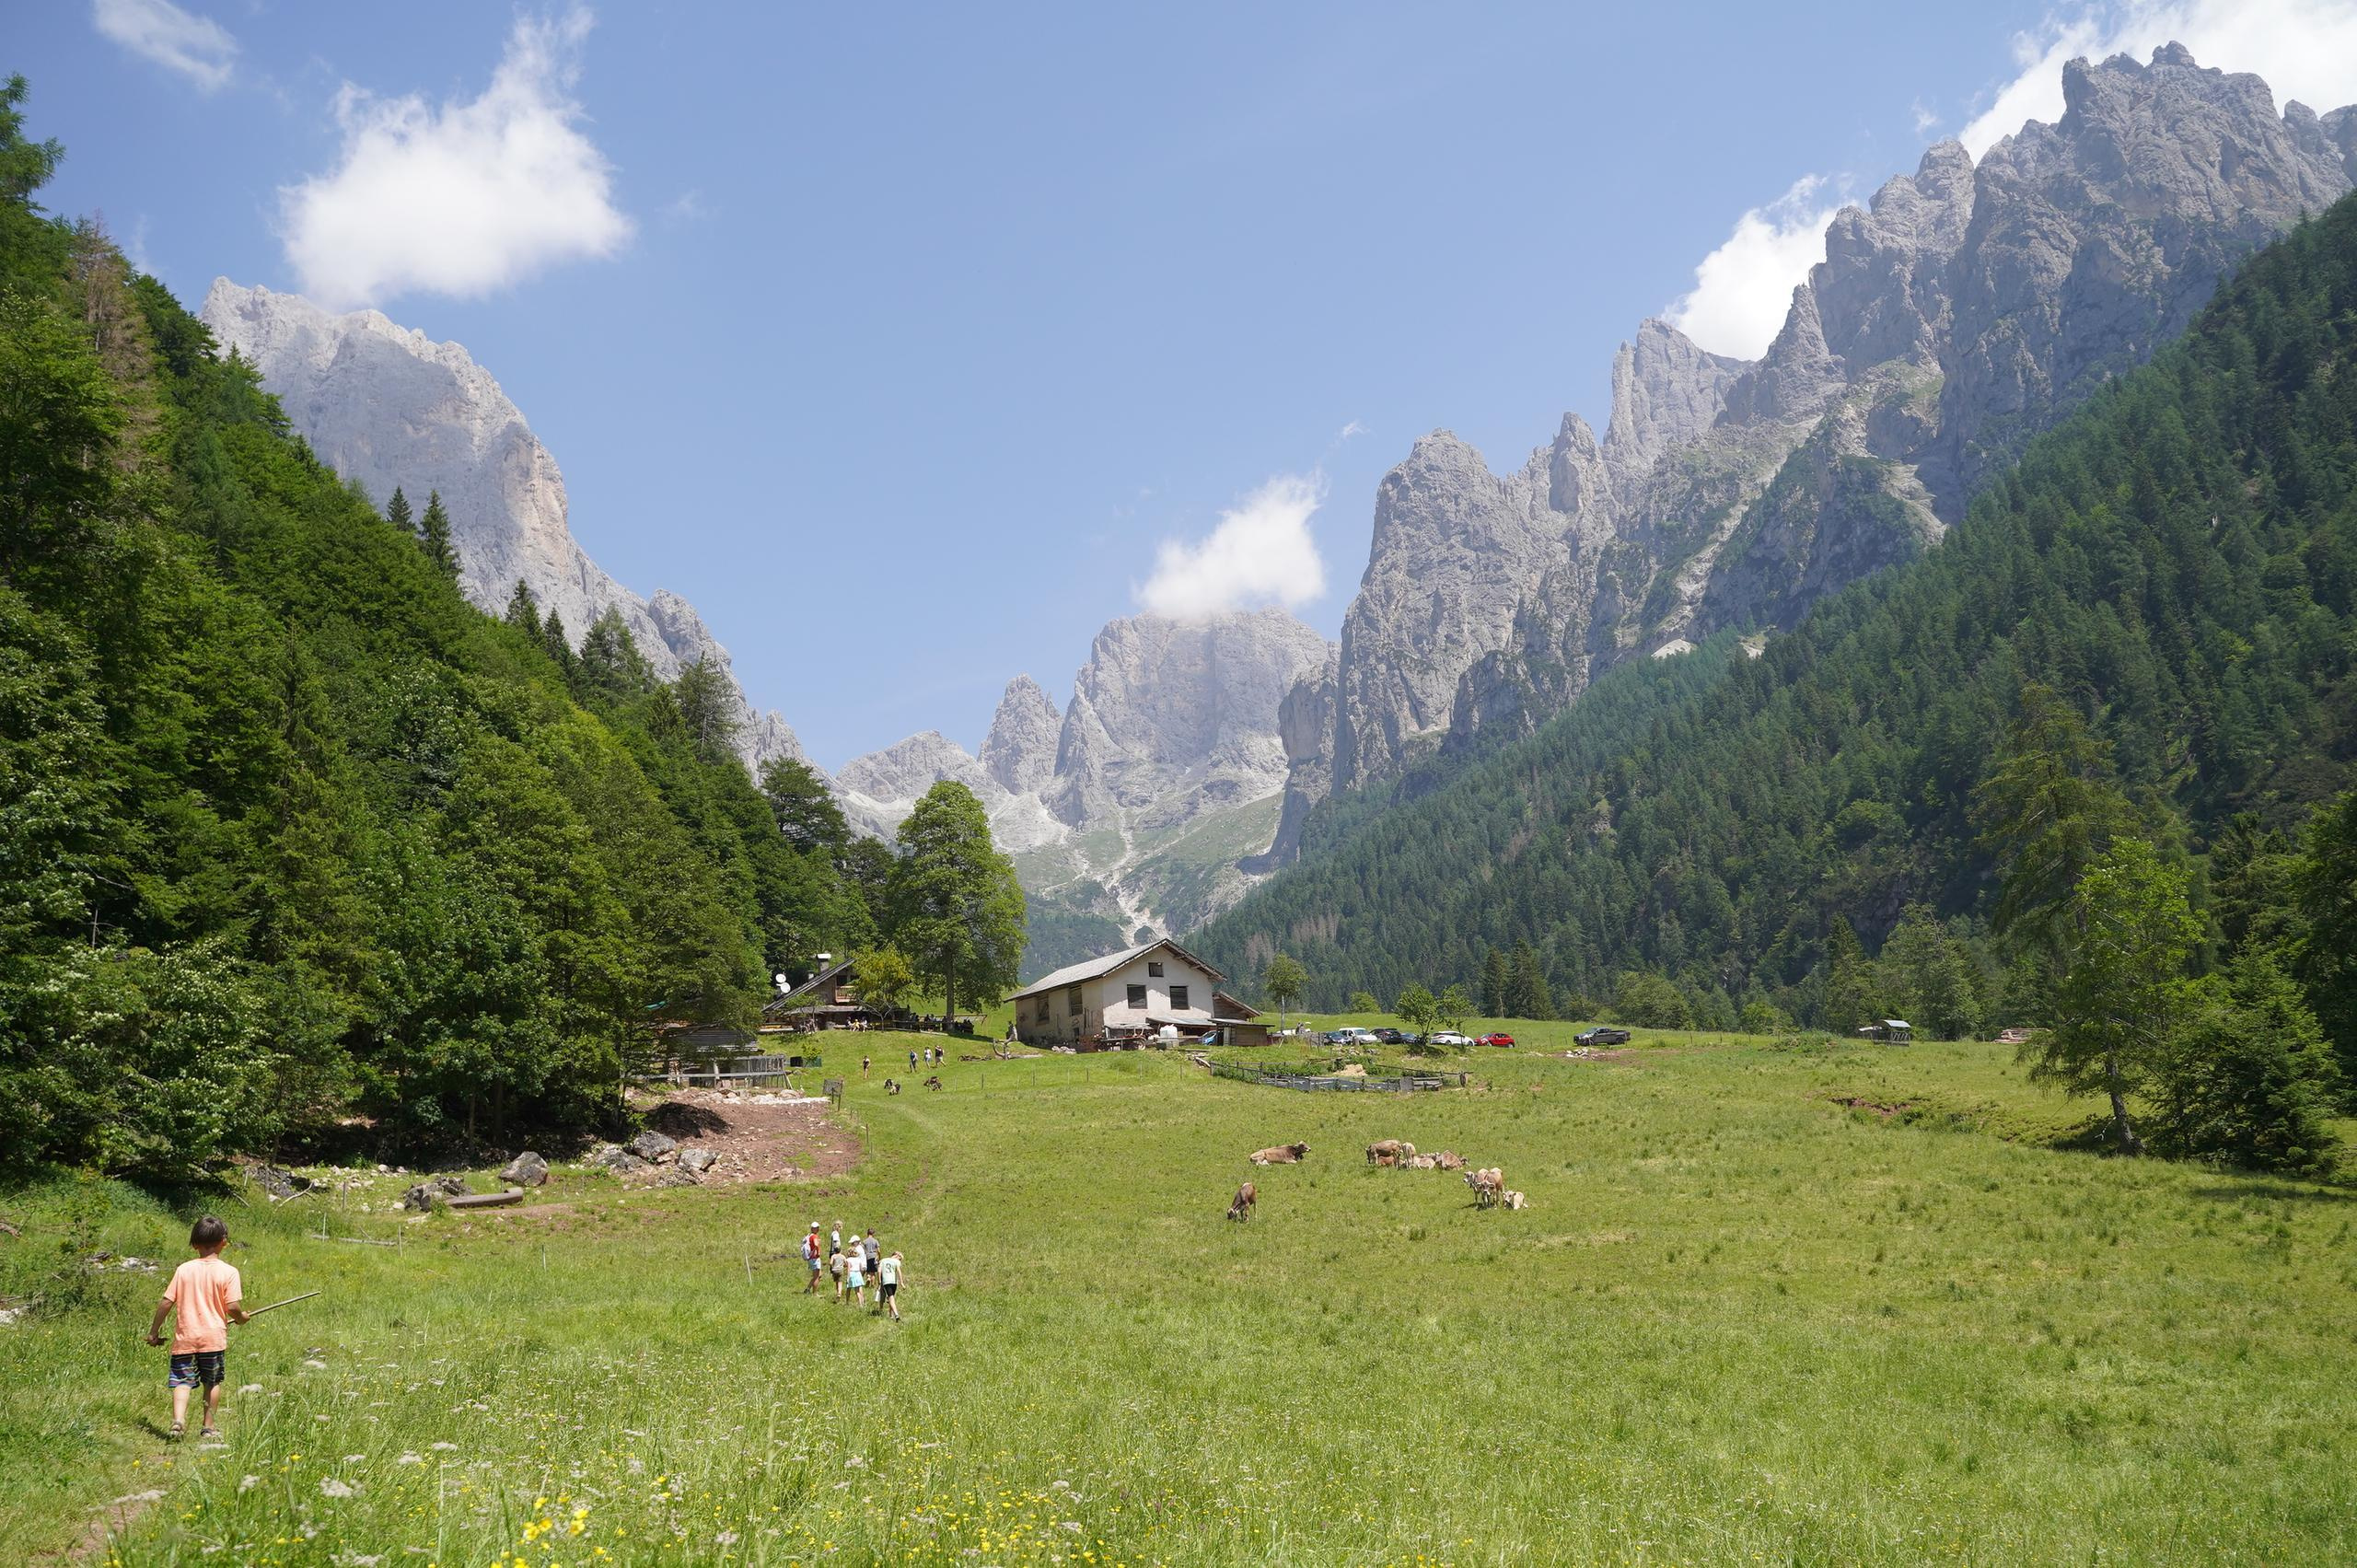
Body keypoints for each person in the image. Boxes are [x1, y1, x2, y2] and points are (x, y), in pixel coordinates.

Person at [146, 1216, 248, 1440]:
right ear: (224, 1242)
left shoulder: (184, 1270)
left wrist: (154, 1332)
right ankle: (208, 1428)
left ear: (194, 1243)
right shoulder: (229, 1272)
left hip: (185, 1338)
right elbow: (232, 1306)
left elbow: (166, 1302)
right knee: (212, 1383)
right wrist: (241, 1318)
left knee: (182, 1382)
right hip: (212, 1339)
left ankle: (178, 1420)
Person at [876, 1249, 902, 1320]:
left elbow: (879, 1271)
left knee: (890, 1298)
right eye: (900, 1259)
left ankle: (895, 1314)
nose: (900, 1260)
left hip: (886, 1281)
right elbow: (899, 1271)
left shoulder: (883, 1260)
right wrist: (901, 1282)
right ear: (897, 1256)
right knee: (891, 1297)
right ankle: (893, 1315)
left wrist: (879, 1281)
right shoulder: (897, 1262)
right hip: (894, 1282)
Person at [844, 1234, 867, 1307]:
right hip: (860, 1270)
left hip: (853, 1272)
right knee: (859, 1287)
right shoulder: (861, 1249)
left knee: (854, 1289)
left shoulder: (857, 1250)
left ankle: (849, 1302)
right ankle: (862, 1302)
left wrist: (847, 1278)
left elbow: (848, 1268)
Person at [801, 1222, 824, 1294]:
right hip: (815, 1258)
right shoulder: (814, 1236)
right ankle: (815, 1293)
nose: (817, 1229)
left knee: (818, 1275)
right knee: (817, 1277)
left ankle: (808, 1289)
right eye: (816, 1228)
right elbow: (816, 1244)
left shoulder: (810, 1236)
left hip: (811, 1258)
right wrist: (818, 1252)